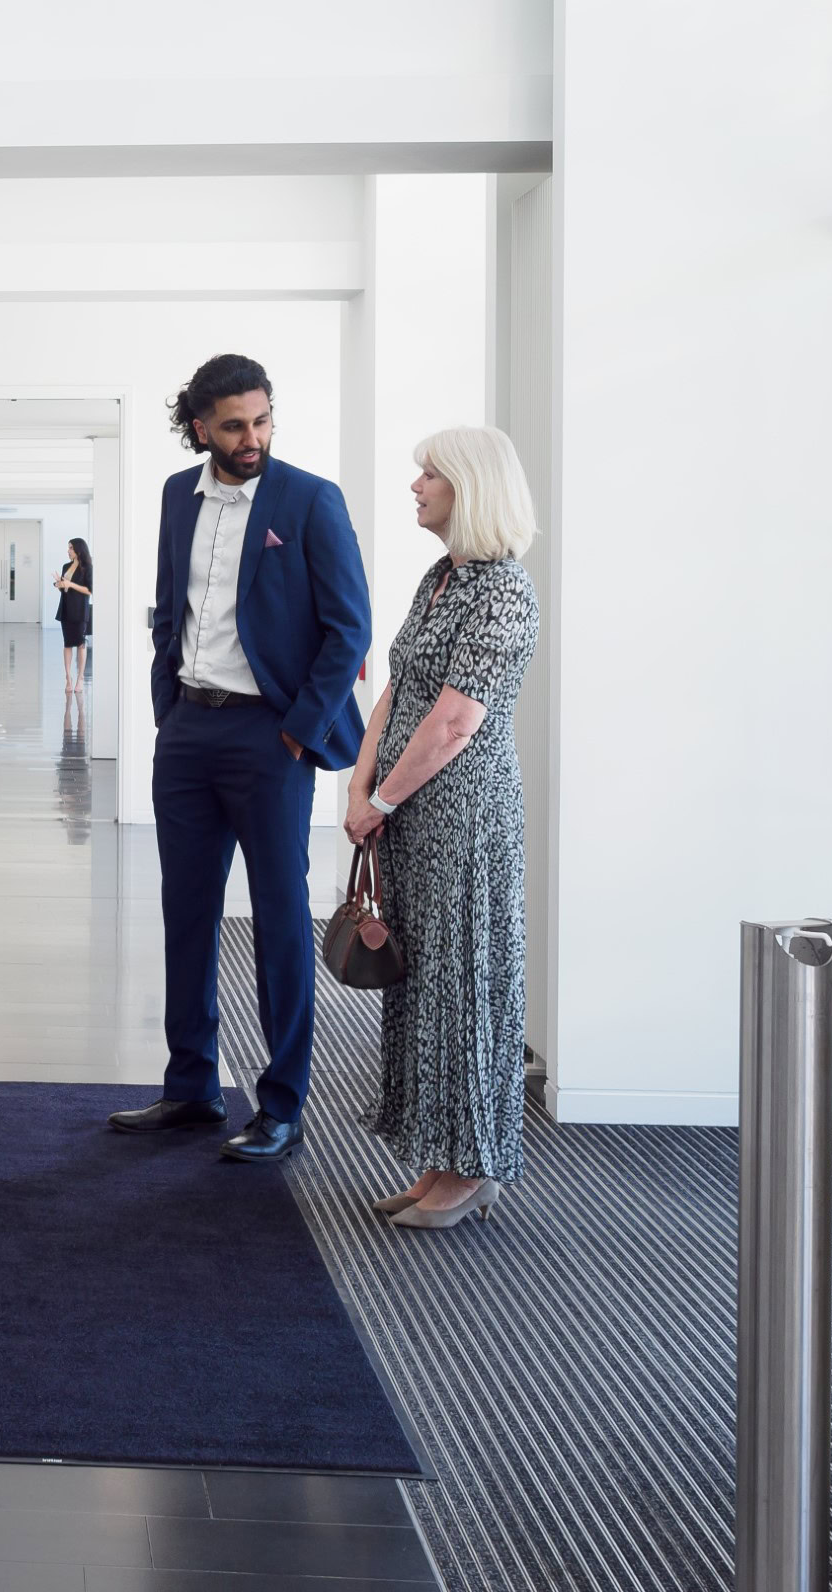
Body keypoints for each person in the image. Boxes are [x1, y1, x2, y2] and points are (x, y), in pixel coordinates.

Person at [110, 354, 370, 1163]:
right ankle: (192, 1086)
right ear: (200, 428)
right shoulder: (173, 497)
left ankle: (282, 1104)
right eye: (234, 425)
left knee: (280, 920)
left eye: (262, 420)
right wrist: (166, 710)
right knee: (185, 912)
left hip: (270, 737)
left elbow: (349, 629)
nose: (252, 437)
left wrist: (297, 729)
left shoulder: (310, 499)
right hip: (189, 731)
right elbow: (169, 609)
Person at [345, 427, 540, 1229]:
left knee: (463, 987)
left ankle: (472, 1169)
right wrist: (359, 786)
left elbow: (456, 721)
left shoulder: (504, 591)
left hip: (462, 821)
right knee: (424, 987)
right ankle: (437, 1163)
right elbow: (400, 688)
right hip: (409, 812)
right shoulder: (441, 578)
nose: (416, 485)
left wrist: (382, 801)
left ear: (471, 487)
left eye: (430, 473)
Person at [52, 535, 94, 702]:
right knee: (68, 643)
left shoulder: (88, 567)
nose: (68, 551)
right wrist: (60, 585)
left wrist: (70, 584)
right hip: (66, 609)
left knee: (81, 644)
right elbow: (65, 589)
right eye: (68, 548)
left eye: (70, 548)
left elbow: (89, 590)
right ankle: (68, 678)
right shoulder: (66, 566)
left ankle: (80, 678)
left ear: (78, 549)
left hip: (80, 610)